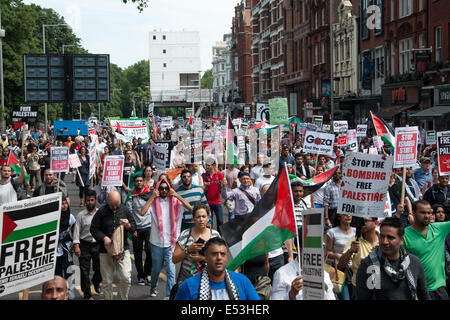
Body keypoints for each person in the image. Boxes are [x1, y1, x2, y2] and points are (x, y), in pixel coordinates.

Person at [140, 178, 192, 299]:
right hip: (156, 242)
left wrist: (177, 196)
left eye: (166, 188)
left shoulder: (175, 202)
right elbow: (142, 212)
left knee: (171, 272)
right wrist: (152, 197)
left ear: (169, 189)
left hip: (171, 243)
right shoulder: (153, 203)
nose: (164, 190)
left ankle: (170, 296)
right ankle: (153, 286)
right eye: (161, 188)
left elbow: (190, 208)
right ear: (158, 189)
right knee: (156, 270)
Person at [355, 217, 430, 300]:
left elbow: (423, 294)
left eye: (390, 238)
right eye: (382, 236)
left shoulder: (414, 263)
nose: (384, 242)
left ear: (401, 240)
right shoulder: (369, 265)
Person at [174, 237, 260, 300]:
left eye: (222, 254)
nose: (219, 258)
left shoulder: (242, 281)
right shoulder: (188, 286)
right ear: (206, 257)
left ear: (226, 258)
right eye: (214, 254)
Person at [90, 190, 137, 300]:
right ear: (107, 202)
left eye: (117, 204)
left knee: (126, 278)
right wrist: (103, 237)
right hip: (105, 251)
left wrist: (128, 225)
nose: (115, 207)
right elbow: (93, 229)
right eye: (112, 205)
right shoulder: (101, 211)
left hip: (122, 249)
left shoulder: (124, 209)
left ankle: (122, 298)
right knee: (107, 281)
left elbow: (134, 227)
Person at [403, 200, 450, 300]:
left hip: (440, 289)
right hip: (418, 291)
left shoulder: (439, 229)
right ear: (414, 213)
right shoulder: (404, 235)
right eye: (423, 212)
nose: (427, 216)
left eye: (429, 213)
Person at [172, 202, 221, 285]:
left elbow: (220, 260)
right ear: (193, 219)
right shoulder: (185, 234)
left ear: (208, 218)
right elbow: (174, 259)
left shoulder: (215, 235)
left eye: (203, 216)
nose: (201, 219)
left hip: (209, 281)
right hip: (187, 281)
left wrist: (202, 258)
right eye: (198, 217)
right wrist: (188, 249)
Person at [338, 217, 379, 299]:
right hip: (360, 288)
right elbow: (341, 265)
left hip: (380, 288)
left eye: (366, 221)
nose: (363, 224)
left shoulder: (383, 237)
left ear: (375, 223)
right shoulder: (355, 241)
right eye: (361, 221)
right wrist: (350, 251)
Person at [72, 189, 102, 300]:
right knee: (84, 271)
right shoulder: (80, 215)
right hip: (84, 245)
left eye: (92, 200)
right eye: (88, 200)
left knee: (99, 269)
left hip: (98, 244)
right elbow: (76, 231)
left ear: (96, 200)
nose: (90, 202)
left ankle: (96, 281)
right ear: (85, 202)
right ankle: (87, 293)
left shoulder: (100, 213)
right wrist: (76, 245)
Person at [126, 174, 153, 286]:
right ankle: (140, 276)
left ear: (143, 182)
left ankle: (147, 273)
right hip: (137, 228)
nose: (139, 183)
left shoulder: (149, 194)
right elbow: (129, 213)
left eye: (141, 181)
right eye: (137, 181)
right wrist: (133, 229)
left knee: (149, 251)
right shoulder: (131, 196)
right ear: (134, 183)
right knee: (137, 254)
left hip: (148, 227)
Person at [271, 256, 335, 300]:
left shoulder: (325, 275)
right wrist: (290, 295)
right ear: (301, 250)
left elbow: (331, 298)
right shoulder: (281, 273)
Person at [202, 158, 224, 229]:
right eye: (206, 165)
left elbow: (220, 189)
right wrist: (206, 187)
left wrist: (221, 185)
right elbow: (203, 191)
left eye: (208, 165)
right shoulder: (203, 176)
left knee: (220, 221)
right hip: (207, 202)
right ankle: (209, 236)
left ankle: (219, 237)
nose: (206, 167)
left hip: (217, 201)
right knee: (209, 222)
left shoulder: (219, 175)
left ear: (213, 165)